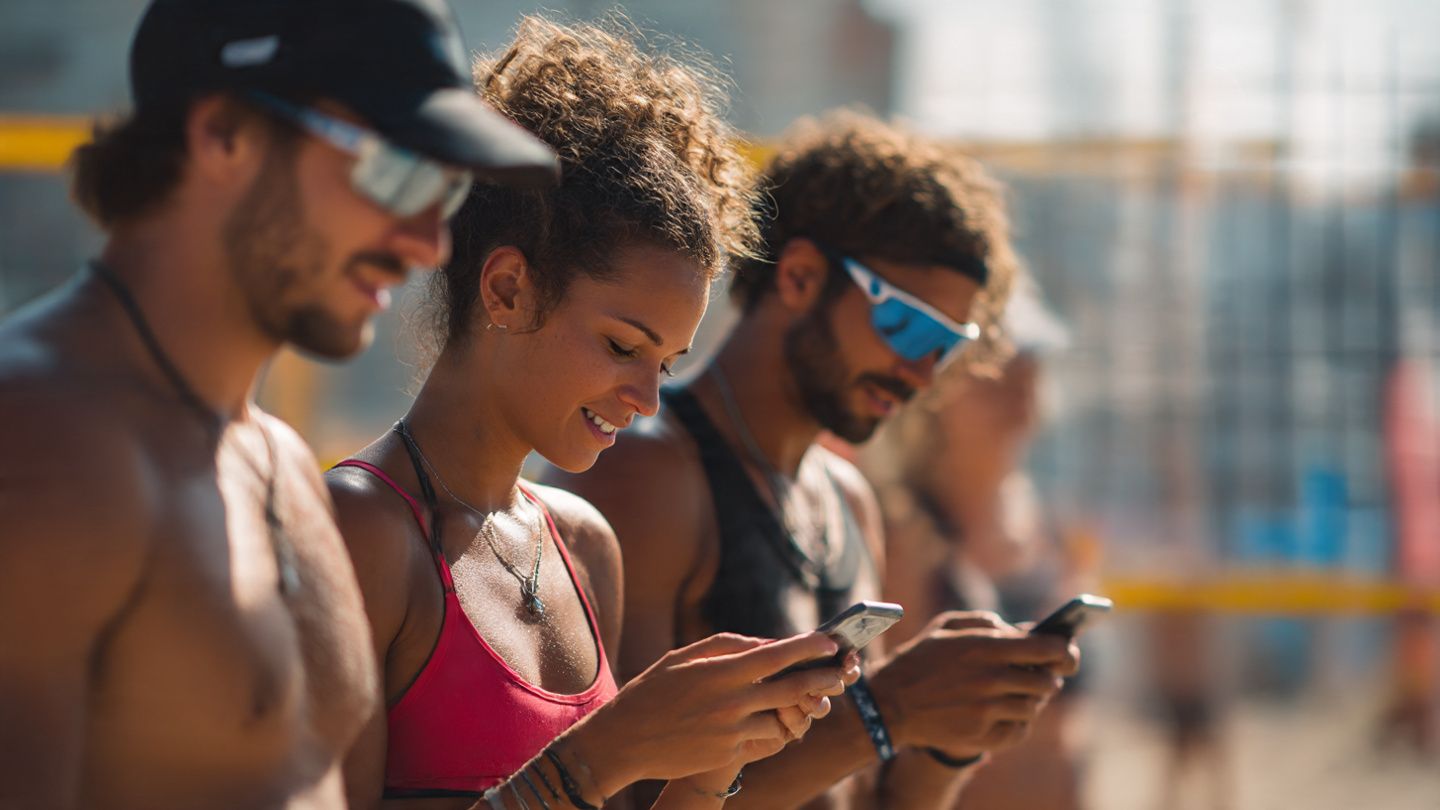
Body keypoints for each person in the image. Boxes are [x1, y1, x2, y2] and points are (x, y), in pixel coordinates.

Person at [0, 0, 561, 807]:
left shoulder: (281, 464)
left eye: (444, 189)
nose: (426, 240)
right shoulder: (49, 448)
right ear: (225, 134)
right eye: (395, 170)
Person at [325, 18, 853, 810]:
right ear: (506, 289)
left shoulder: (580, 543)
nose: (647, 400)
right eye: (620, 346)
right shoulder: (358, 529)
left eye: (666, 363)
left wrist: (708, 768)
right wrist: (601, 755)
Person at [547, 112, 1081, 809]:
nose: (920, 373)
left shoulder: (846, 498)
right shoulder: (646, 473)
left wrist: (949, 734)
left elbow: (865, 795)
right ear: (799, 277)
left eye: (946, 346)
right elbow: (630, 793)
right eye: (907, 325)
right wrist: (888, 711)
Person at [856, 279, 1088, 810]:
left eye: (1028, 367)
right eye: (996, 369)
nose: (1018, 387)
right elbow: (877, 732)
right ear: (936, 392)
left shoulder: (1048, 523)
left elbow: (1074, 730)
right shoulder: (902, 533)